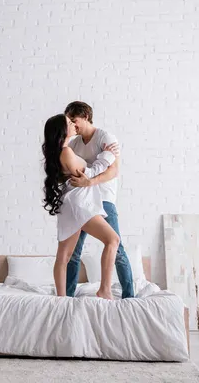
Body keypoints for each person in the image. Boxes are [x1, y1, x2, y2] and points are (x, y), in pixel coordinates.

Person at [42, 113, 121, 300]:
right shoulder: (67, 152)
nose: (73, 124)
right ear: (63, 129)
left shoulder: (61, 152)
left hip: (70, 204)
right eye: (69, 123)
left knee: (64, 255)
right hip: (80, 204)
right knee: (113, 240)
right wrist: (109, 154)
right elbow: (90, 172)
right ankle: (104, 290)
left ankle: (62, 299)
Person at [64, 101, 134, 299]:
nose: (72, 125)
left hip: (103, 199)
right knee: (74, 251)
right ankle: (68, 296)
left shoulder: (105, 137)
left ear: (85, 116)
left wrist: (90, 182)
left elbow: (114, 170)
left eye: (74, 121)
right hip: (82, 202)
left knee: (116, 246)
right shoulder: (75, 144)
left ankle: (129, 296)